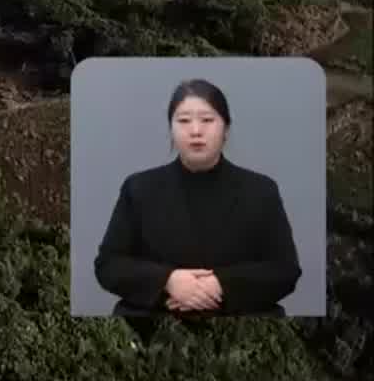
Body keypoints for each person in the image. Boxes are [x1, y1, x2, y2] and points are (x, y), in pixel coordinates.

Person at [93, 78, 302, 317]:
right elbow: (109, 265)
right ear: (170, 128)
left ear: (226, 128)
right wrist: (168, 281)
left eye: (207, 120)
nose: (195, 131)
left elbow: (284, 270)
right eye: (183, 121)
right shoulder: (138, 188)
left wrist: (221, 284)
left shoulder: (261, 190)